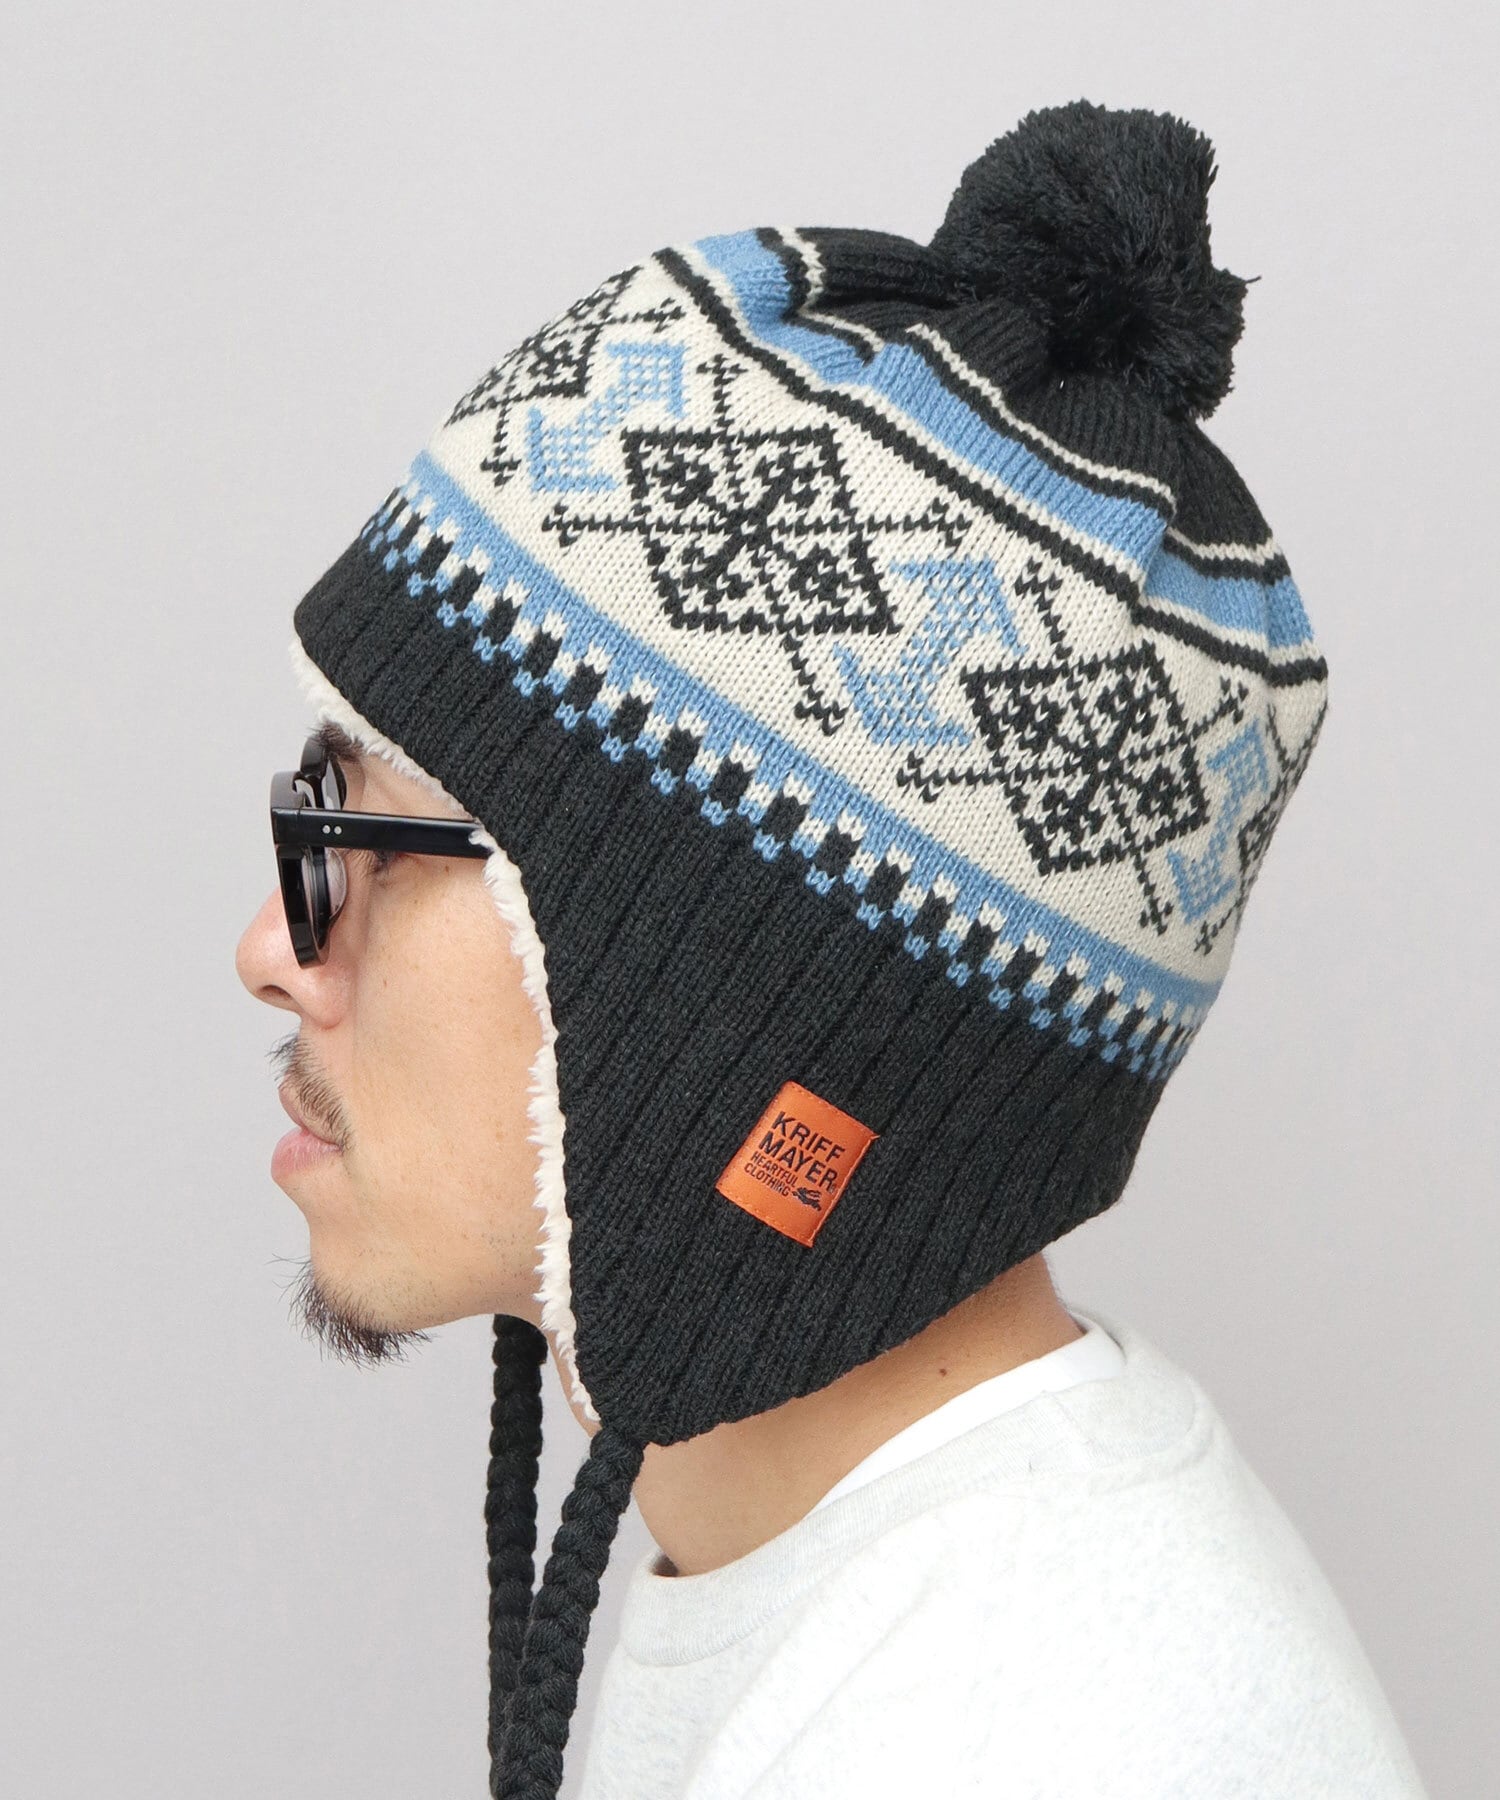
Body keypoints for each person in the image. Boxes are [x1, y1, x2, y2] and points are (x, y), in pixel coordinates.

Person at [236, 100, 1429, 1798]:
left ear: (711, 993)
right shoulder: (872, 1598)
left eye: (370, 839)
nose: (272, 953)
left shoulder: (1059, 1743)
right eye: (316, 813)